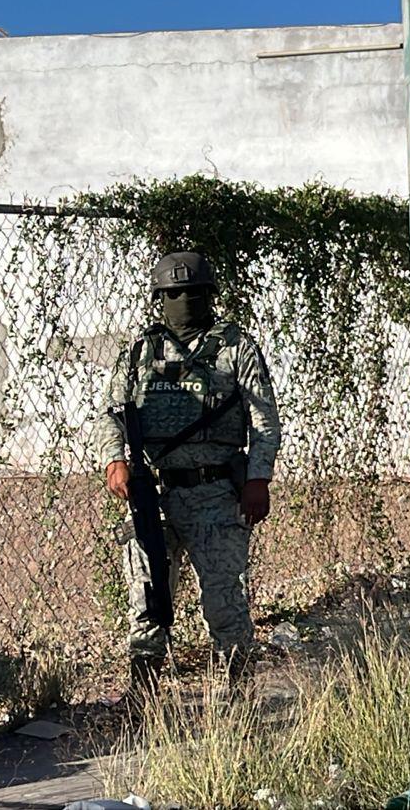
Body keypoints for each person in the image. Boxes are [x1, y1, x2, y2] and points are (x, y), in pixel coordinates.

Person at [93, 251, 281, 692]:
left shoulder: (237, 348)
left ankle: (239, 697)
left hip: (215, 492)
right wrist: (113, 458)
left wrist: (258, 478)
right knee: (147, 597)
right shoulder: (141, 351)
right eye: (173, 293)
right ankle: (143, 699)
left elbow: (265, 422)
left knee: (223, 599)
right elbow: (109, 413)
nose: (183, 300)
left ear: (209, 295)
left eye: (192, 293)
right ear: (159, 298)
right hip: (152, 492)